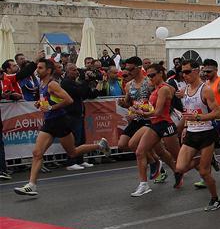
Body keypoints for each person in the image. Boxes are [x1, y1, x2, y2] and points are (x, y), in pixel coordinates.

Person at [14, 59, 111, 196]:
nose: (37, 70)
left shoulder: (52, 84)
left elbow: (68, 100)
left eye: (40, 68)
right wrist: (40, 103)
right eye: (37, 68)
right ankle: (31, 185)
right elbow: (49, 100)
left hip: (60, 121)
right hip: (49, 122)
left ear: (48, 70)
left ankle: (100, 145)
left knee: (73, 152)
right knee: (37, 153)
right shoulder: (42, 84)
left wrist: (51, 107)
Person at [173, 59, 220, 209]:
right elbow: (188, 113)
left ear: (196, 71)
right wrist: (186, 127)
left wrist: (200, 117)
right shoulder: (185, 90)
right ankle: (207, 159)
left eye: (187, 72)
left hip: (206, 133)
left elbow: (217, 112)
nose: (184, 75)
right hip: (191, 133)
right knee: (180, 168)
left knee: (203, 172)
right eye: (182, 72)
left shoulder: (205, 89)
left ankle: (215, 199)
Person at [129, 64, 178, 196]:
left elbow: (158, 111)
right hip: (154, 124)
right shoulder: (155, 88)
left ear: (161, 74)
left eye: (152, 75)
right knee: (138, 150)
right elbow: (152, 109)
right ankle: (144, 184)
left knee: (180, 158)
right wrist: (141, 109)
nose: (149, 78)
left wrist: (140, 112)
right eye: (148, 75)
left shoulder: (163, 89)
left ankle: (203, 168)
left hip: (165, 124)